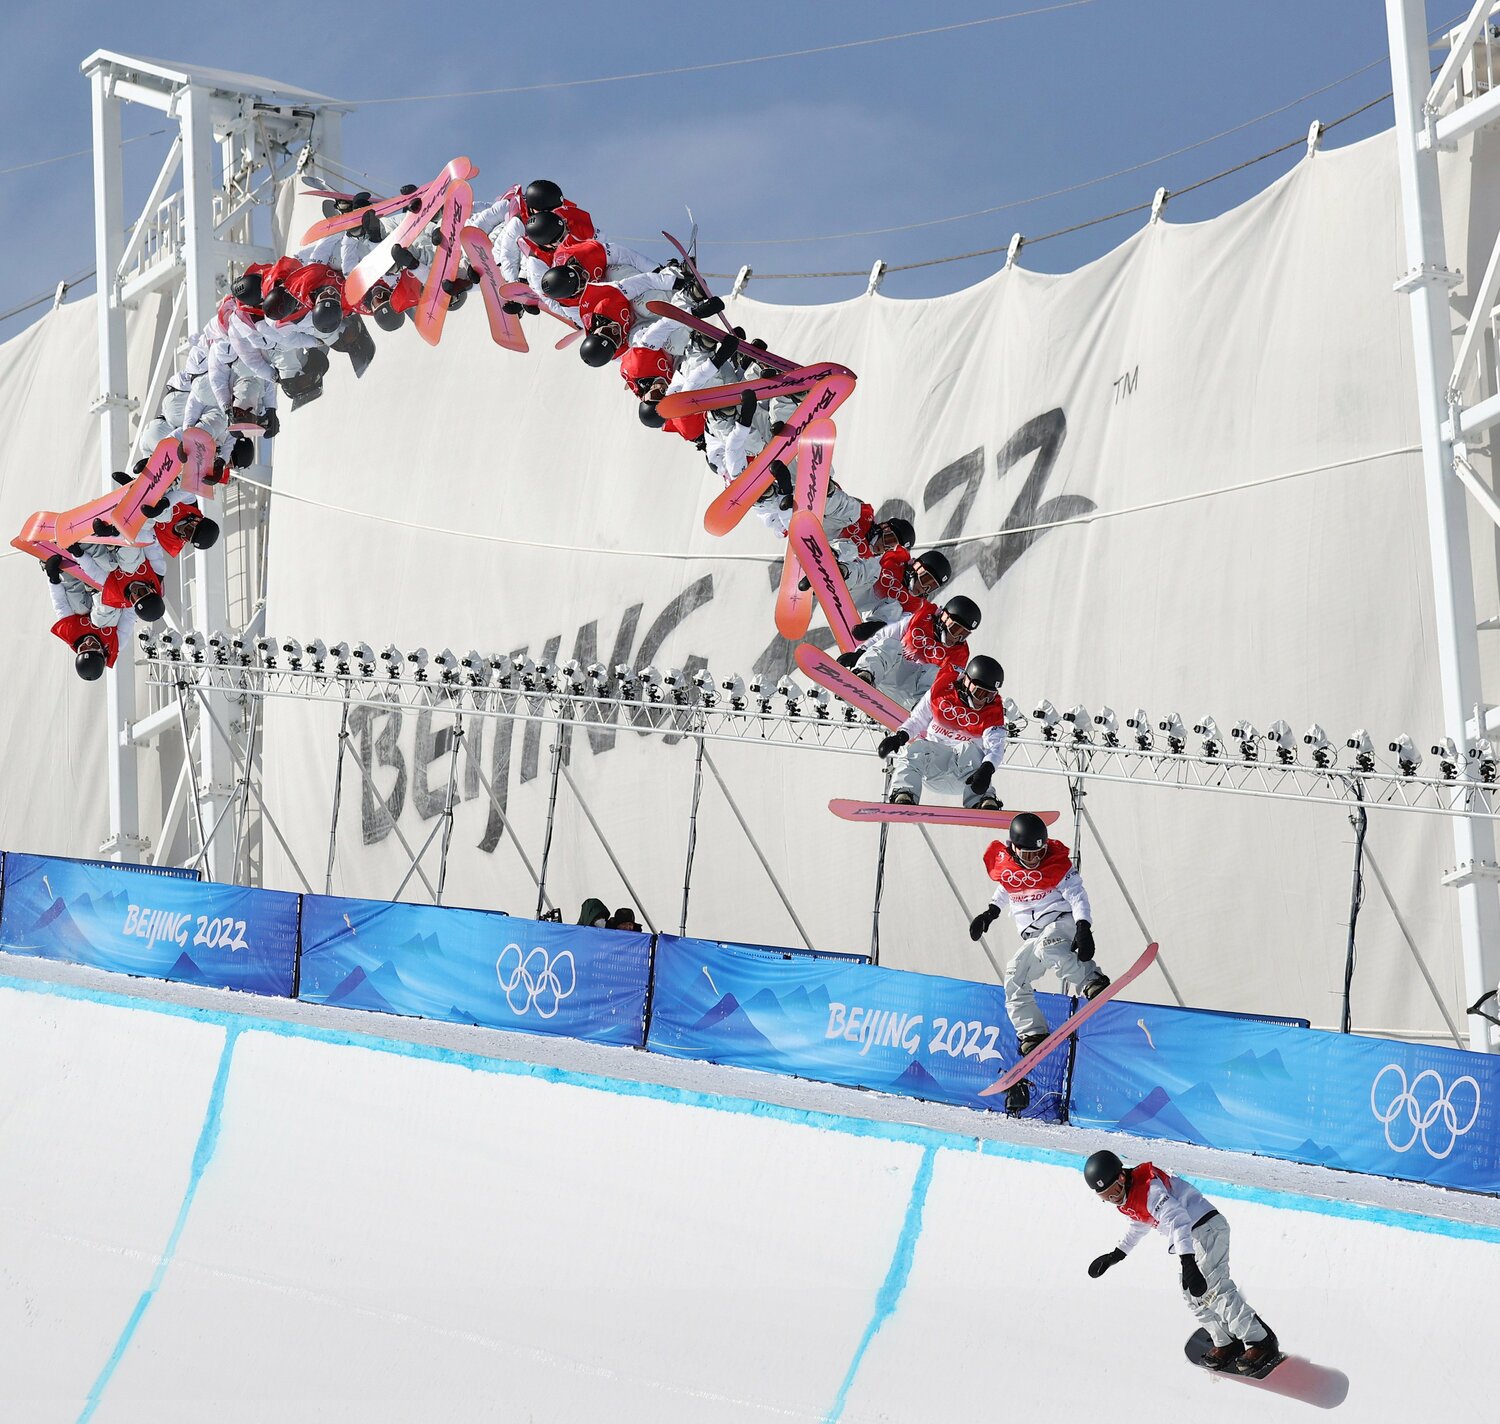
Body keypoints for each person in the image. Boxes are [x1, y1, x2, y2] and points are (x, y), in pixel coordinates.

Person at [1083, 1149, 1279, 1373]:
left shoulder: (1150, 1188)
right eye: (1105, 1198)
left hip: (1206, 1228)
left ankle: (1260, 1341)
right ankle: (1225, 1341)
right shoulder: (1126, 1197)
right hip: (1191, 1240)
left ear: (1121, 1177)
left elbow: (1179, 1221)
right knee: (1191, 1293)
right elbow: (1140, 1222)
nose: (1113, 1199)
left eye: (1113, 1192)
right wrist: (1116, 1254)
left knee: (1214, 1288)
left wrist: (1188, 1262)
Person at [968, 811, 1109, 1112]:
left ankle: (1091, 980)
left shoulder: (1057, 865)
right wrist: (990, 913)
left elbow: (1078, 896)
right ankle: (1032, 1032)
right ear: (1014, 849)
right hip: (1034, 936)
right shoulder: (1007, 867)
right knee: (1014, 975)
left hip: (1062, 923)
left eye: (1038, 853)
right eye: (1027, 855)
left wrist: (1083, 927)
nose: (1033, 860)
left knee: (1050, 948)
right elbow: (1004, 889)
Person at [877, 653, 1007, 809]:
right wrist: (900, 737)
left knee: (972, 749)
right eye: (980, 693)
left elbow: (996, 747)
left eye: (990, 695)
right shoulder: (942, 689)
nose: (983, 701)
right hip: (933, 766)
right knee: (916, 747)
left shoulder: (993, 710)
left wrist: (987, 769)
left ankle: (983, 800)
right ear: (966, 681)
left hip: (967, 777)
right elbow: (918, 719)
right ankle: (904, 793)